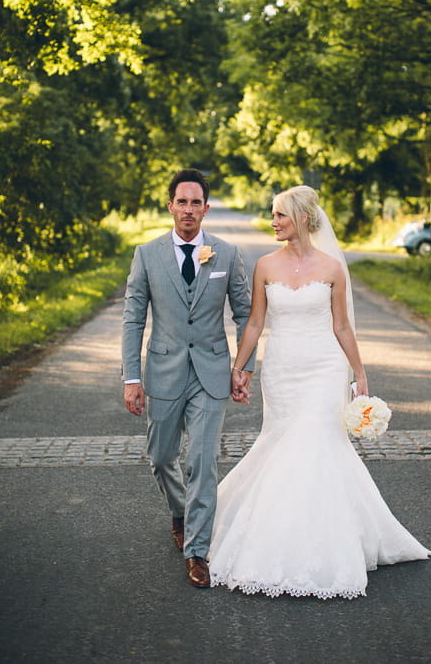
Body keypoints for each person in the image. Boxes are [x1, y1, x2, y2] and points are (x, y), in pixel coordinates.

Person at [209, 185, 431, 598]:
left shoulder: (332, 268)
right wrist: (239, 368)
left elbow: (342, 326)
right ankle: (276, 532)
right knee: (279, 443)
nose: (273, 221)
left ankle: (326, 545)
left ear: (303, 219)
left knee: (316, 444)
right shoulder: (264, 266)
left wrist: (359, 373)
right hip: (282, 369)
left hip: (324, 368)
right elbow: (255, 323)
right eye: (273, 214)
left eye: (280, 215)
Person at [122, 168, 255, 589]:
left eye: (196, 202)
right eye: (182, 201)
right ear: (170, 206)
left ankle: (197, 550)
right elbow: (132, 319)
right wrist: (131, 376)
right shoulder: (147, 254)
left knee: (201, 459)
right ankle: (180, 512)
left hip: (211, 372)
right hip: (162, 369)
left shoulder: (227, 253)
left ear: (206, 209)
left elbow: (246, 315)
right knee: (161, 458)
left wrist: (244, 367)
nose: (188, 210)